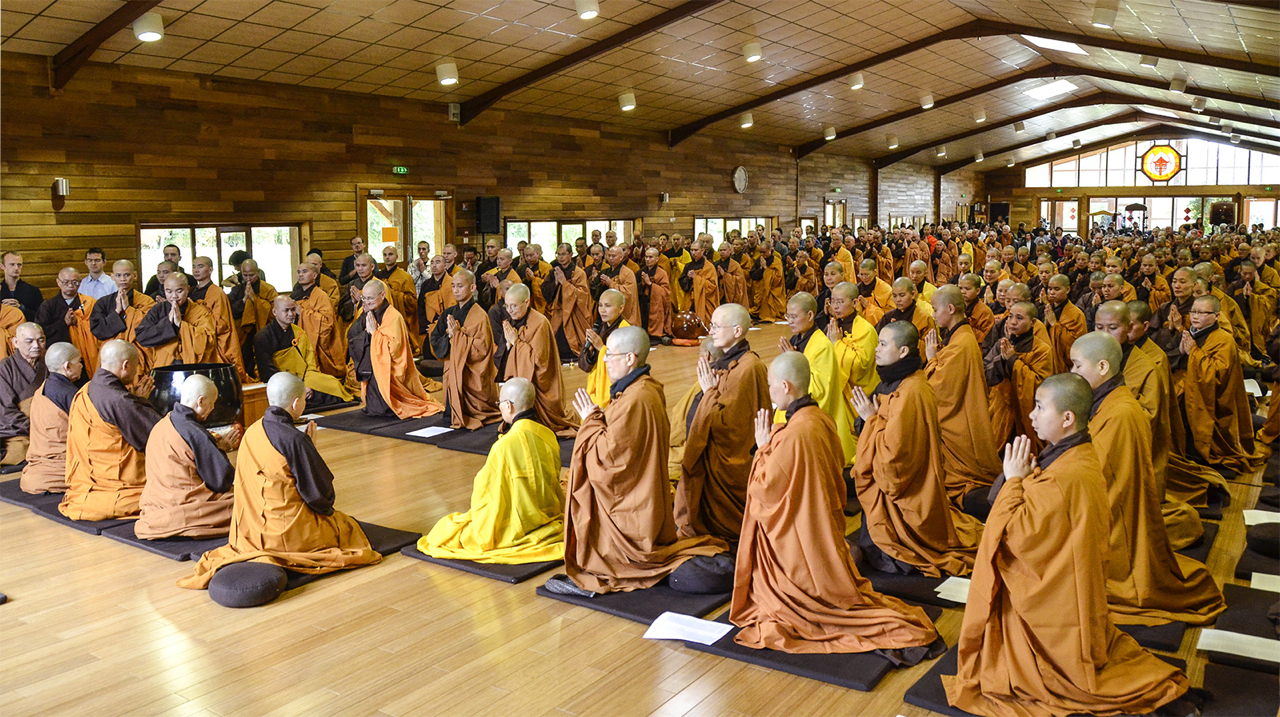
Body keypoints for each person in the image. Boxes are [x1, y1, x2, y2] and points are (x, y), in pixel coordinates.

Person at [944, 375, 1193, 717]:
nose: (1031, 416)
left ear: (1067, 419)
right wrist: (1027, 478)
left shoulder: (1068, 475)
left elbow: (1015, 535)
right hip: (1070, 586)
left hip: (1052, 601)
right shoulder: (1076, 455)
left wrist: (1015, 479)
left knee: (1018, 677)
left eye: (1040, 407)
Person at [731, 350, 944, 657]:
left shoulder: (795, 434)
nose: (769, 391)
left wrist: (763, 448)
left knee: (779, 604)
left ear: (787, 386)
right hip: (821, 528)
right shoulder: (819, 419)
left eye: (770, 385)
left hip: (798, 540)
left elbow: (765, 492)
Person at [1068, 332, 1226, 626]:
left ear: (1102, 367)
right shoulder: (1109, 401)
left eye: (1077, 365)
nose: (1072, 373)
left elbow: (1098, 473)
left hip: (1116, 524)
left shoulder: (1121, 413)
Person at [556, 327, 728, 594]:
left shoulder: (636, 398)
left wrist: (590, 420)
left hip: (631, 509)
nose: (603, 360)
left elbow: (610, 461)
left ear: (630, 359)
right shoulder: (642, 388)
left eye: (610, 354)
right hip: (645, 496)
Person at [178, 372, 381, 589]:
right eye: (304, 399)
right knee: (346, 526)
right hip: (284, 535)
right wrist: (308, 449)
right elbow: (321, 498)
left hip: (248, 530)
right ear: (295, 403)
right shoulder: (294, 439)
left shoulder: (252, 431)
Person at [851, 321, 983, 577]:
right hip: (889, 492)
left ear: (902, 352)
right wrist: (870, 419)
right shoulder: (895, 382)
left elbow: (895, 461)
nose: (876, 349)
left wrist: (870, 419)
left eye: (882, 344)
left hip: (907, 496)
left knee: (891, 556)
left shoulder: (912, 392)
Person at [419, 378, 565, 563]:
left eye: (500, 404)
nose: (500, 408)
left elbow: (486, 490)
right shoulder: (548, 435)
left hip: (518, 524)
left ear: (509, 406)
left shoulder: (504, 446)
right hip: (548, 514)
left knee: (444, 532)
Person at [674, 303, 769, 541]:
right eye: (711, 325)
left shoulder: (749, 368)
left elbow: (730, 430)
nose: (711, 331)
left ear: (737, 331)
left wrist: (709, 393)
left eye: (716, 326)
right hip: (713, 457)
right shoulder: (725, 365)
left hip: (730, 465)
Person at [59, 340, 160, 521]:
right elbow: (159, 437)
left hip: (85, 483)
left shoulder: (88, 388)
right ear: (125, 365)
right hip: (119, 487)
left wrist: (136, 402)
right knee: (175, 491)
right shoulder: (119, 400)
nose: (138, 371)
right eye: (136, 365)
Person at [925, 285, 1002, 508]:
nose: (933, 314)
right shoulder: (959, 337)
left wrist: (932, 358)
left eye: (935, 309)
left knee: (958, 480)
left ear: (950, 308)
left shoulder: (962, 344)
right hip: (962, 413)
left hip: (959, 422)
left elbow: (939, 389)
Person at [135, 375, 239, 539]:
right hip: (187, 508)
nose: (212, 408)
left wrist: (217, 448)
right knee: (246, 500)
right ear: (201, 401)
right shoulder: (194, 432)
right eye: (212, 403)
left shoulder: (162, 424)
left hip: (156, 505)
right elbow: (221, 480)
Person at [777, 292, 858, 466]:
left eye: (793, 316)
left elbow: (819, 390)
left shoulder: (822, 346)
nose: (789, 321)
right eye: (787, 316)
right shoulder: (797, 339)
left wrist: (794, 362)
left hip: (814, 420)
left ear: (810, 315)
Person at [347, 279, 443, 419]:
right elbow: (352, 335)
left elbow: (394, 350)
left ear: (382, 295)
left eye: (370, 298)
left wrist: (374, 333)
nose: (367, 302)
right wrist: (364, 316)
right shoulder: (367, 311)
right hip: (373, 367)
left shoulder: (393, 317)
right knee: (374, 407)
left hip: (390, 371)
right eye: (364, 298)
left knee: (381, 409)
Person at [499, 283, 576, 435]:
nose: (510, 310)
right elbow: (508, 354)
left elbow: (539, 361)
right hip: (522, 376)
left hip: (541, 383)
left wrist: (516, 343)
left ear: (527, 302)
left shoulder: (539, 323)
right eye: (507, 306)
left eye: (514, 306)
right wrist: (509, 345)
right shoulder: (512, 321)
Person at [255, 296, 354, 412]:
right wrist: (299, 386)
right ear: (275, 312)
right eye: (286, 310)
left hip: (304, 375)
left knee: (333, 384)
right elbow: (267, 371)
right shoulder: (262, 337)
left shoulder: (299, 332)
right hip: (282, 379)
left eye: (293, 309)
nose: (291, 314)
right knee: (307, 394)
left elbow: (309, 360)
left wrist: (306, 381)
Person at [430, 269, 500, 430]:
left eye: (460, 286)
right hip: (452, 367)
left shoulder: (480, 315)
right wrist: (451, 337)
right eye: (453, 286)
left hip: (470, 373)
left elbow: (482, 349)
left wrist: (458, 336)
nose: (455, 290)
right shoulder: (449, 313)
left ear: (473, 287)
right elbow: (435, 339)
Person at [985, 301, 1053, 453]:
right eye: (1010, 317)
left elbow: (1040, 385)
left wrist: (1013, 361)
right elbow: (985, 374)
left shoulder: (1042, 350)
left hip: (1026, 414)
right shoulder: (1000, 345)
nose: (1013, 322)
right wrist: (1002, 360)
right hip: (1000, 409)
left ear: (1033, 322)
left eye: (1020, 318)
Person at [20, 342, 81, 494]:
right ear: (67, 367)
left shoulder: (43, 389)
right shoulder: (69, 394)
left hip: (36, 469)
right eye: (79, 362)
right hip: (62, 464)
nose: (82, 366)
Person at [135, 274, 218, 367]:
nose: (174, 296)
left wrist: (180, 324)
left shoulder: (199, 312)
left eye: (179, 291)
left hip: (192, 365)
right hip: (164, 364)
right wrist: (167, 323)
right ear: (164, 290)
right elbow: (142, 336)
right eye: (169, 291)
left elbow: (208, 340)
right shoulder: (158, 309)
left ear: (187, 289)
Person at [188, 256, 248, 381]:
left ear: (210, 269)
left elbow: (221, 323)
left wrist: (199, 322)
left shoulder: (216, 292)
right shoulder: (190, 291)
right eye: (194, 266)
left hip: (212, 341)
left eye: (200, 266)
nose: (196, 270)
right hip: (192, 338)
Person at [89, 260, 156, 371]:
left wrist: (128, 310)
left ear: (134, 275)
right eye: (118, 275)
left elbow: (150, 327)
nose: (123, 279)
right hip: (111, 354)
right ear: (112, 277)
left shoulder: (146, 301)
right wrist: (117, 312)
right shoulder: (103, 302)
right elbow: (97, 330)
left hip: (137, 352)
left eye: (127, 275)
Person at [34, 267, 99, 374]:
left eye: (75, 282)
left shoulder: (90, 303)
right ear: (58, 282)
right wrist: (63, 323)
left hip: (83, 357)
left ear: (80, 282)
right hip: (58, 359)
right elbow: (41, 332)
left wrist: (80, 323)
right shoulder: (48, 306)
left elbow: (98, 327)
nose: (70, 286)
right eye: (65, 282)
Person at [0, 323, 47, 466]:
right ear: (15, 342)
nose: (36, 345)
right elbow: (5, 410)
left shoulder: (50, 362)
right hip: (18, 431)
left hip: (48, 428)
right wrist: (35, 428)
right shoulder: (5, 368)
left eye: (41, 340)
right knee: (20, 450)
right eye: (29, 341)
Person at [291, 260, 346, 379]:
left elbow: (327, 322)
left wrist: (303, 313)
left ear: (314, 275)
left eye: (304, 272)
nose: (300, 275)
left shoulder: (321, 295)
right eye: (299, 272)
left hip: (315, 343)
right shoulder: (295, 294)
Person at [577, 289, 629, 408]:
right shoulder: (599, 328)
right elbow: (584, 366)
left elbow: (624, 365)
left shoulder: (625, 330)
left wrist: (601, 347)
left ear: (621, 308)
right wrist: (590, 351)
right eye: (600, 305)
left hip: (613, 390)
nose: (602, 310)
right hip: (597, 386)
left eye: (608, 306)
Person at [542, 244, 593, 363]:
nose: (560, 257)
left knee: (572, 342)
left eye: (563, 254)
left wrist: (564, 283)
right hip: (558, 312)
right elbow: (544, 290)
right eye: (558, 254)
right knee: (557, 338)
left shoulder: (578, 273)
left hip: (573, 313)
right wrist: (555, 282)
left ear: (571, 255)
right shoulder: (554, 271)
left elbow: (583, 295)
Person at [228, 259, 279, 376]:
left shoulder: (268, 289)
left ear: (258, 272)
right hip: (243, 332)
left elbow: (276, 310)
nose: (248, 279)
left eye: (252, 275)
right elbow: (230, 312)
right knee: (245, 359)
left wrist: (256, 301)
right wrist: (244, 300)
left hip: (264, 330)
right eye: (245, 275)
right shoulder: (236, 290)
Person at [377, 246, 421, 353]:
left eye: (390, 254)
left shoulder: (405, 277)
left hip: (398, 316)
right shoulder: (378, 276)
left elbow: (412, 302)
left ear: (397, 256)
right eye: (385, 255)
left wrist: (393, 293)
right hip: (381, 317)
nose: (387, 257)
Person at [1040, 273, 1087, 373]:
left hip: (1065, 366)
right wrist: (1045, 325)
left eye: (1057, 289)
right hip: (1047, 359)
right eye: (1050, 288)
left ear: (1068, 289)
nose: (1052, 292)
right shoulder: (1049, 308)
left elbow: (1075, 343)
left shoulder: (1075, 313)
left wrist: (1054, 324)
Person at [876, 277, 934, 354]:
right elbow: (877, 340)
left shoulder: (924, 318)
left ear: (913, 294)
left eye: (902, 295)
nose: (898, 300)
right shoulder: (888, 317)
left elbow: (928, 348)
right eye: (894, 296)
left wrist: (903, 335)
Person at [679, 240, 718, 330]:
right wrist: (688, 278)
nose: (693, 253)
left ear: (703, 250)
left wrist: (696, 278)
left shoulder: (709, 267)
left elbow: (712, 286)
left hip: (703, 300)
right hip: (689, 299)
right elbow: (681, 282)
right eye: (692, 250)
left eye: (696, 250)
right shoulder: (688, 265)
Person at [638, 246, 673, 342]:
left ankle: (656, 336)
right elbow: (635, 288)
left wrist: (650, 284)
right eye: (646, 257)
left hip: (656, 304)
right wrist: (643, 284)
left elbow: (665, 292)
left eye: (651, 257)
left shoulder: (662, 273)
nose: (648, 260)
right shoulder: (641, 271)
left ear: (657, 259)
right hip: (643, 303)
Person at [749, 241, 786, 322]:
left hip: (773, 291)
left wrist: (766, 268)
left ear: (770, 250)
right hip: (760, 290)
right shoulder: (758, 260)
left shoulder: (776, 261)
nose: (762, 254)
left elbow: (777, 279)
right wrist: (761, 268)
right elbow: (752, 275)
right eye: (761, 252)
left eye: (764, 252)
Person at [1, 251, 43, 321]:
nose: (16, 268)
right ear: (2, 266)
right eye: (12, 264)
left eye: (19, 265)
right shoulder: (1, 289)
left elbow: (40, 317)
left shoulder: (33, 291)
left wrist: (21, 308)